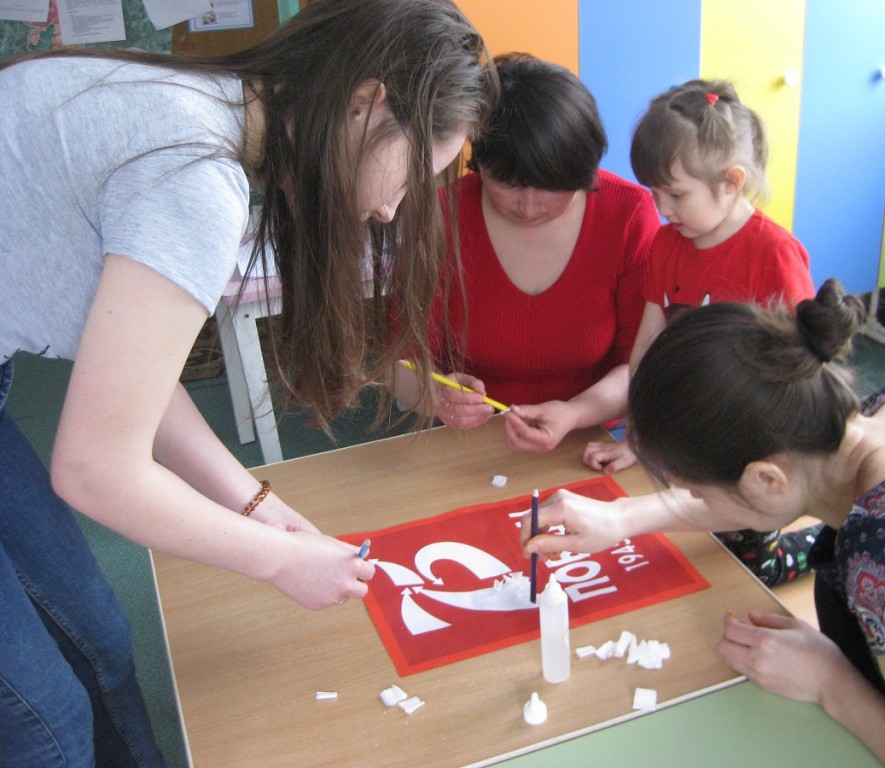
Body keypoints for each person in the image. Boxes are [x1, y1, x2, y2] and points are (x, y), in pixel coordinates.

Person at [0, 0, 497, 764]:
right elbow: (95, 469)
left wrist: (259, 507)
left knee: (97, 640)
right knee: (44, 722)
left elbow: (130, 383)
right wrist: (277, 560)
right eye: (409, 177)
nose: (389, 208)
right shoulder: (194, 178)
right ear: (366, 104)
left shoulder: (203, 105)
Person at [525, 280, 885, 766]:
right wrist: (622, 516)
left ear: (766, 479)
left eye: (698, 491)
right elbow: (759, 493)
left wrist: (832, 682)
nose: (694, 500)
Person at [582, 78, 819, 586]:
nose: (662, 209)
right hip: (688, 431)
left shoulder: (774, 254)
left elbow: (803, 371)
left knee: (749, 566)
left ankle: (823, 543)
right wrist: (637, 435)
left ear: (732, 182)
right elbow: (648, 344)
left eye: (676, 194)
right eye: (654, 192)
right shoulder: (667, 244)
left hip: (749, 438)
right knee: (673, 551)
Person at [391, 53, 661, 452]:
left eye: (552, 187)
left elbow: (641, 365)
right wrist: (436, 395)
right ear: (480, 164)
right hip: (469, 443)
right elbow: (401, 364)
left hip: (591, 440)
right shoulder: (441, 216)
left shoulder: (628, 215)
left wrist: (574, 413)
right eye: (507, 184)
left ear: (585, 172)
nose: (529, 207)